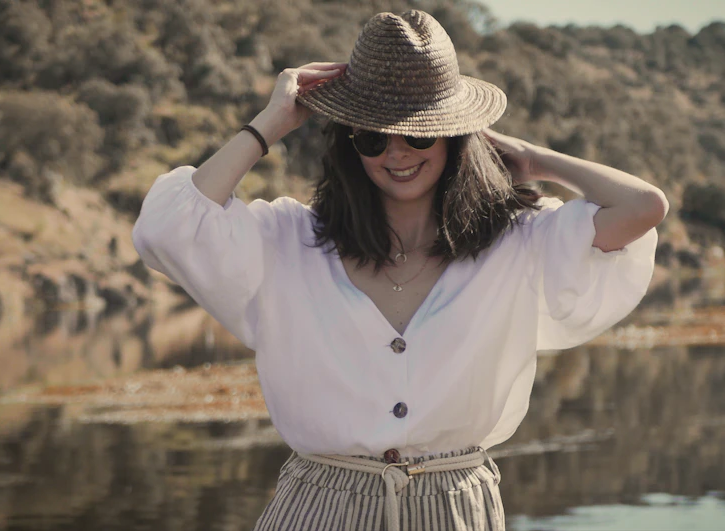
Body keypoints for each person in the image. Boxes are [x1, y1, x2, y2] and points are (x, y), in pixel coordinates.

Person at [132, 9, 667, 531]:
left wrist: (535, 160)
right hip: (320, 506)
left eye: (418, 134)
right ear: (349, 144)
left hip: (457, 508)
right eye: (371, 138)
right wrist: (273, 122)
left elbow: (643, 207)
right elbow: (167, 228)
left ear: (454, 135)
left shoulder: (518, 241)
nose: (395, 154)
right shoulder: (287, 239)